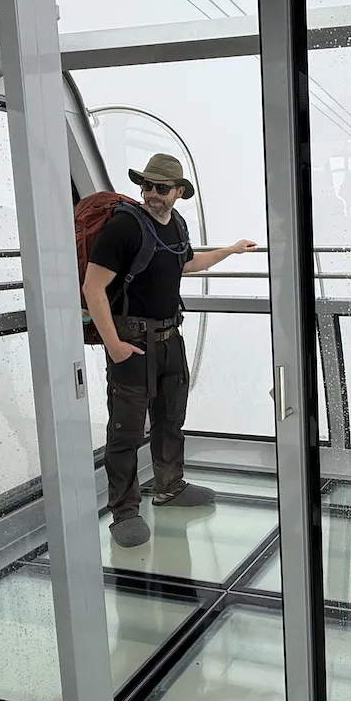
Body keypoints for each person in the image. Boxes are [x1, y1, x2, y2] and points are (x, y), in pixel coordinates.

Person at [82, 154, 256, 548]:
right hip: (131, 342)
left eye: (162, 188)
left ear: (178, 192)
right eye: (147, 186)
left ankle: (169, 487)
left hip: (169, 338)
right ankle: (124, 512)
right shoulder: (123, 227)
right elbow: (93, 287)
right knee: (126, 431)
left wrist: (230, 250)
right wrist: (114, 346)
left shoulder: (175, 223)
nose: (152, 194)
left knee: (170, 419)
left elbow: (187, 264)